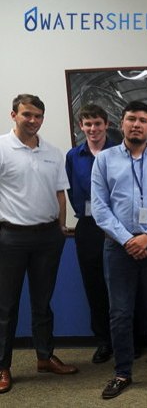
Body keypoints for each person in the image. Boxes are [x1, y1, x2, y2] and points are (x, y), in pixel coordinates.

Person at [92, 101, 147, 399]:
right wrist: (128, 239)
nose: (136, 125)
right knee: (120, 312)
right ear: (122, 122)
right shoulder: (103, 160)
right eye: (131, 119)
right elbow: (100, 208)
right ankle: (122, 372)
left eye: (143, 120)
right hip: (117, 248)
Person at [0, 94, 77, 394]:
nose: (33, 121)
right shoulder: (2, 147)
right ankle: (3, 366)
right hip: (11, 237)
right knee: (6, 305)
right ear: (13, 115)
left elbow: (61, 192)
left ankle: (44, 357)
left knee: (43, 302)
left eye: (38, 116)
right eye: (27, 115)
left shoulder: (53, 152)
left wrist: (60, 227)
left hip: (48, 237)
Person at [65, 104, 117, 365]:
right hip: (88, 226)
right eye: (88, 124)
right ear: (81, 126)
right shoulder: (74, 156)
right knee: (95, 286)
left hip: (118, 227)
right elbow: (71, 189)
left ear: (106, 124)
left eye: (97, 123)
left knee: (122, 283)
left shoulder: (119, 152)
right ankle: (104, 340)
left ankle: (129, 338)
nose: (93, 129)